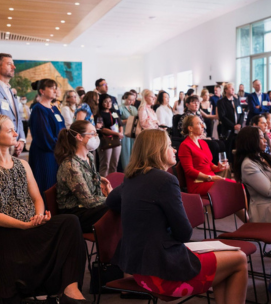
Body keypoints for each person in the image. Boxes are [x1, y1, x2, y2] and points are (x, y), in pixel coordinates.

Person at [106, 129, 248, 303]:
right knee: (239, 259)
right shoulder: (165, 180)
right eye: (169, 146)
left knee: (226, 262)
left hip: (141, 270)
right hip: (164, 274)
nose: (174, 150)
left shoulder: (131, 178)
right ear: (156, 151)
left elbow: (111, 201)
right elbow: (184, 233)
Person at [0, 115, 87, 304]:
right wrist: (24, 225)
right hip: (2, 233)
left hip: (29, 224)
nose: (16, 134)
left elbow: (37, 198)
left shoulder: (22, 164)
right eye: (9, 130)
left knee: (70, 222)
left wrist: (39, 216)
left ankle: (71, 290)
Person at [55, 120, 111, 232]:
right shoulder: (70, 165)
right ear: (79, 137)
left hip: (86, 208)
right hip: (74, 214)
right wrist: (110, 198)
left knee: (120, 205)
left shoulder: (89, 156)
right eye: (92, 133)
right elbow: (88, 201)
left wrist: (98, 180)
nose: (96, 136)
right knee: (116, 205)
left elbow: (93, 189)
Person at [29, 79, 66, 194]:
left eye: (56, 87)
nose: (55, 90)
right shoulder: (38, 109)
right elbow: (44, 136)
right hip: (45, 154)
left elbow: (63, 129)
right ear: (42, 91)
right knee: (46, 185)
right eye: (51, 87)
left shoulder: (54, 108)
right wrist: (61, 147)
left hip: (58, 152)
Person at [178, 116, 229, 195]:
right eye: (199, 123)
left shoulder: (203, 143)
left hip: (211, 179)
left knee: (238, 185)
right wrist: (210, 178)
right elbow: (189, 171)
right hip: (198, 184)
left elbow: (209, 164)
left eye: (202, 123)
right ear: (190, 128)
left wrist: (218, 167)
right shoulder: (185, 145)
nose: (203, 126)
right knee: (229, 187)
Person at [95, 94, 123, 177]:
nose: (108, 103)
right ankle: (103, 185)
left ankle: (112, 183)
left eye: (110, 101)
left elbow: (120, 124)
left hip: (116, 140)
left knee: (114, 164)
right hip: (106, 140)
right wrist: (117, 133)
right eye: (105, 102)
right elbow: (102, 129)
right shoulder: (99, 114)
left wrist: (121, 132)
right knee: (105, 165)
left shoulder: (113, 112)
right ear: (101, 103)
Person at [217, 83, 244, 157]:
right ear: (226, 90)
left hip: (237, 130)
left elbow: (241, 113)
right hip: (228, 130)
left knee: (237, 149)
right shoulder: (221, 102)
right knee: (228, 150)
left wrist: (240, 124)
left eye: (233, 88)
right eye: (231, 88)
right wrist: (233, 126)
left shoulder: (236, 100)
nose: (233, 89)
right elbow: (222, 117)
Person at [118, 92, 137, 168]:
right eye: (129, 99)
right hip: (125, 131)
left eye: (132, 100)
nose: (131, 101)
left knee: (134, 151)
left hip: (134, 132)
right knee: (125, 152)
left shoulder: (134, 108)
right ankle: (125, 170)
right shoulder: (120, 108)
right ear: (124, 98)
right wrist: (129, 120)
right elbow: (118, 121)